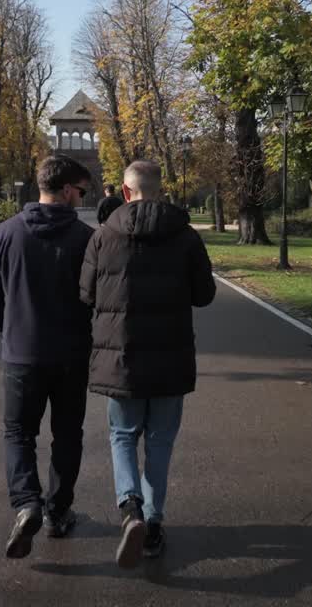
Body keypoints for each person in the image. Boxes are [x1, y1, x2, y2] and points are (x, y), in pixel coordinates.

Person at [79, 160, 216, 568]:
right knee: (160, 441)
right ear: (160, 189)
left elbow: (85, 293)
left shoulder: (103, 237)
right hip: (171, 357)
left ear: (124, 191)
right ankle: (153, 525)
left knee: (122, 434)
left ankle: (130, 507)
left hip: (119, 357)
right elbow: (204, 294)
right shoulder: (186, 237)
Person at [0, 155, 94, 559]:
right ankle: (58, 510)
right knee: (67, 434)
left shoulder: (7, 233)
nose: (81, 196)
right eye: (80, 190)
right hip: (71, 353)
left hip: (22, 352)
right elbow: (95, 296)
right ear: (66, 190)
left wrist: (4, 326)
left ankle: (26, 503)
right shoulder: (85, 238)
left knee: (18, 432)